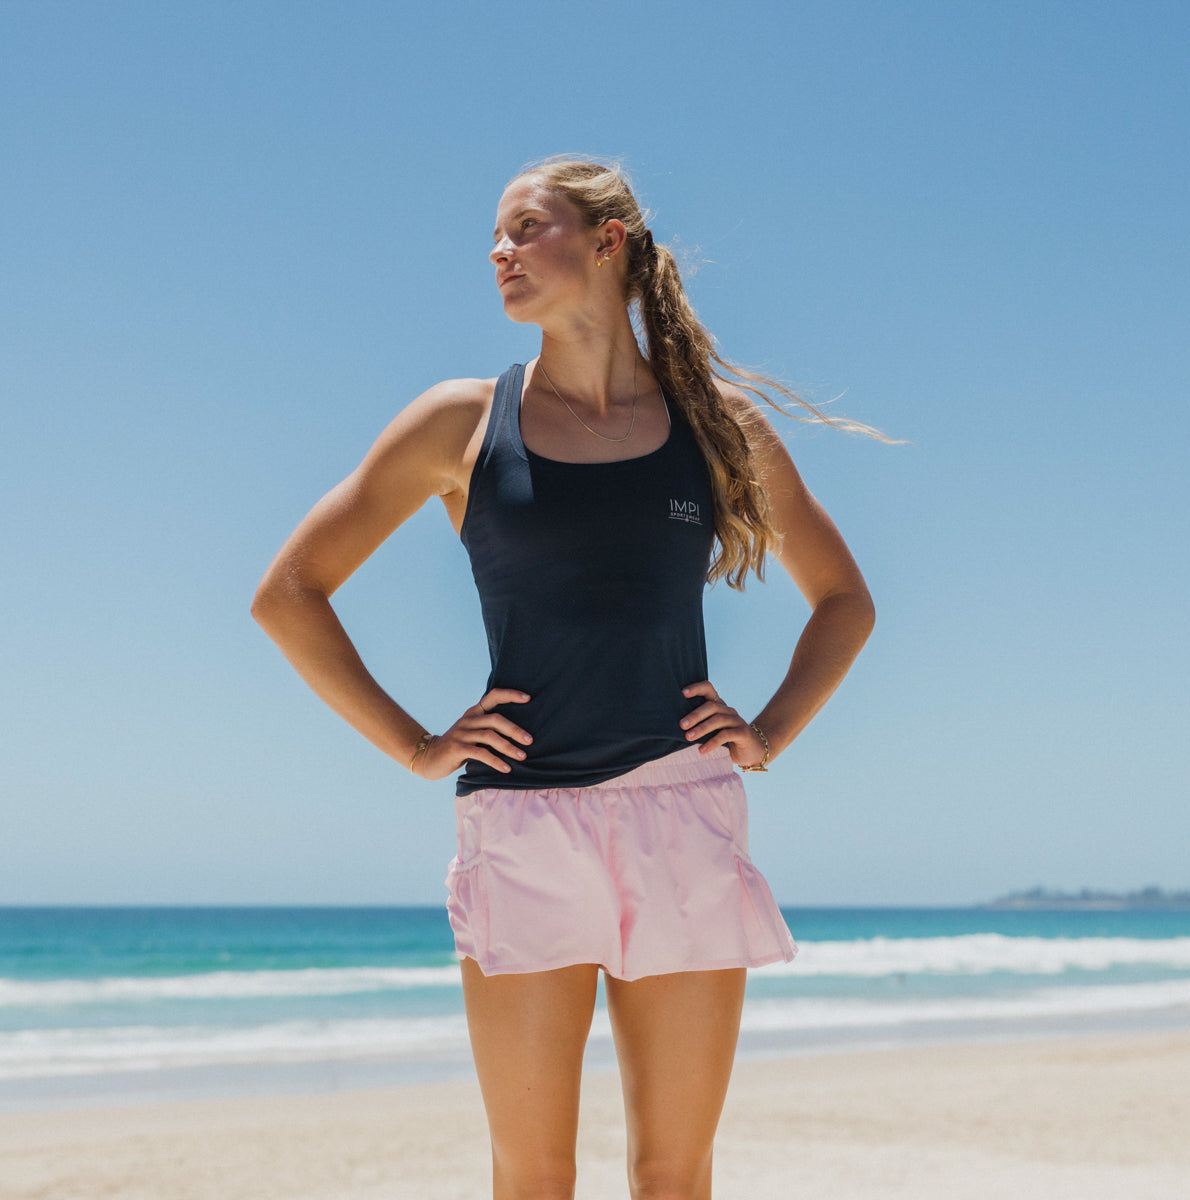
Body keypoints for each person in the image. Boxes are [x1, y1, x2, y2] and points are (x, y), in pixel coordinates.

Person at [252, 156, 876, 1200]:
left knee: (674, 1174)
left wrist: (770, 731)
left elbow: (845, 599)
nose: (500, 252)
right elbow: (290, 591)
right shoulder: (459, 423)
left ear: (607, 241)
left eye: (525, 227)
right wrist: (415, 745)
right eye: (493, 237)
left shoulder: (718, 429)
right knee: (532, 1175)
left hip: (680, 815)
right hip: (523, 829)